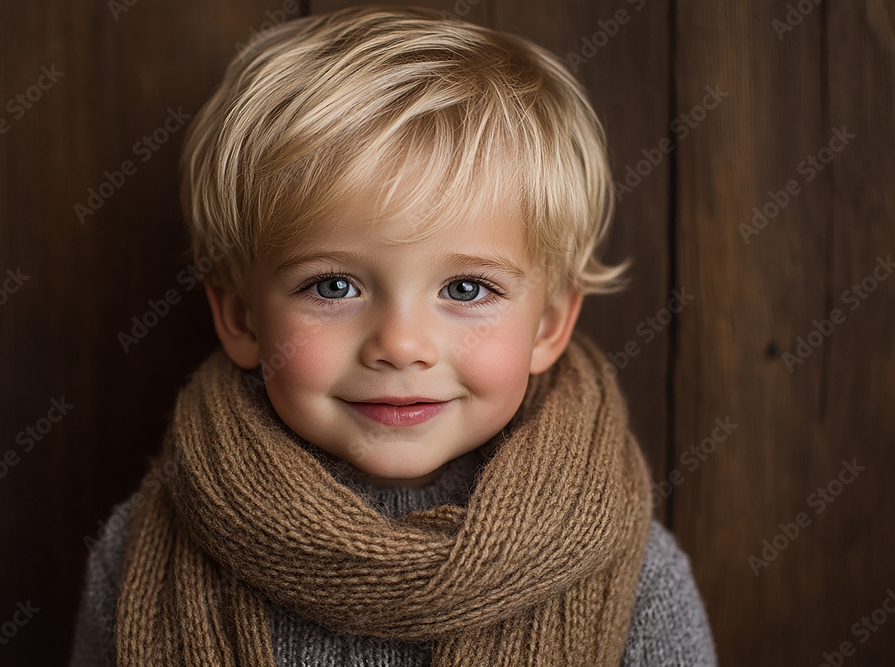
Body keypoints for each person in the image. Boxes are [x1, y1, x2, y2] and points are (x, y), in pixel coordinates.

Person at [70, 7, 717, 665]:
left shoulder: (630, 569)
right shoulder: (140, 554)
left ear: (548, 325)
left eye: (466, 289)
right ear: (240, 317)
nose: (401, 345)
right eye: (333, 286)